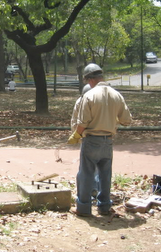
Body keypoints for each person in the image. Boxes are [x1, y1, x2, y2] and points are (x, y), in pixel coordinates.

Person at [68, 63, 132, 217]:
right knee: (105, 174)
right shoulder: (116, 95)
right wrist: (110, 120)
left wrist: (76, 135)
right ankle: (104, 206)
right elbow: (127, 120)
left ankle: (83, 207)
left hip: (91, 140)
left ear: (89, 79)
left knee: (86, 173)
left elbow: (83, 122)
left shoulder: (89, 95)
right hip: (108, 140)